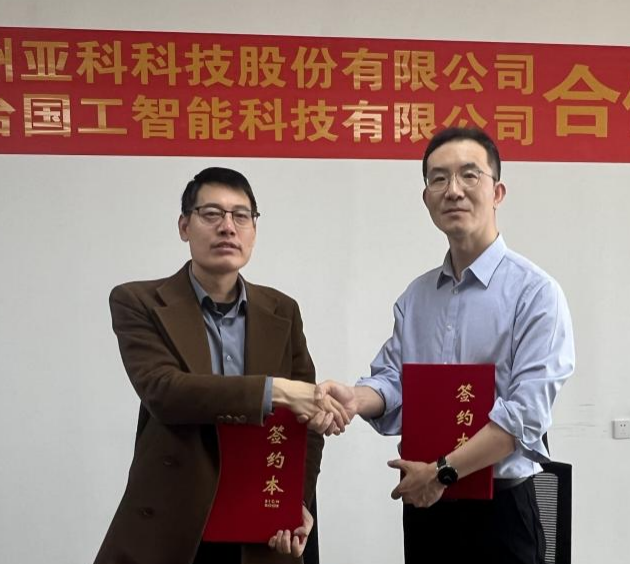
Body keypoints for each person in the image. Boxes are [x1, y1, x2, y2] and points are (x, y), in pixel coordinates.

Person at [318, 128, 576, 564]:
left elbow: (525, 416)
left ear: (497, 192)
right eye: (438, 179)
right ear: (426, 199)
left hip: (501, 514)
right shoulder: (416, 298)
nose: (453, 190)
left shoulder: (535, 293)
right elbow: (395, 380)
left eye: (469, 175)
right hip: (427, 508)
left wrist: (441, 473)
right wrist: (355, 398)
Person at [94, 167, 348, 564]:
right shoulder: (139, 301)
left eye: (241, 216)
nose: (227, 227)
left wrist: (295, 502)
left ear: (253, 230)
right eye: (211, 213)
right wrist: (276, 391)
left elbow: (307, 427)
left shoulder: (282, 310)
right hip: (176, 517)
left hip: (262, 517)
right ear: (184, 226)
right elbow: (165, 391)